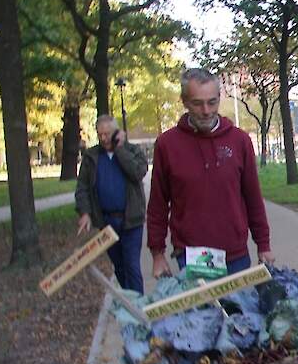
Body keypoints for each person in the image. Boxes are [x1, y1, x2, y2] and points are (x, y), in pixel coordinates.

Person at [147, 68, 274, 278]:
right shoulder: (167, 145)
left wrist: (263, 244)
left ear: (219, 99)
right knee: (204, 312)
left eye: (212, 102)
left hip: (235, 255)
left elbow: (253, 197)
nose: (206, 110)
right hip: (194, 257)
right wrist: (157, 254)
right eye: (197, 103)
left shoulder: (239, 141)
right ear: (184, 101)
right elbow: (157, 206)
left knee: (237, 310)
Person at [75, 115, 148, 294]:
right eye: (100, 135)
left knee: (132, 266)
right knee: (119, 267)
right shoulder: (92, 156)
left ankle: (140, 306)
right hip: (107, 221)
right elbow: (82, 187)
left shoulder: (133, 150)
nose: (104, 139)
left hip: (131, 220)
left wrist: (120, 149)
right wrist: (85, 213)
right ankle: (128, 305)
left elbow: (137, 173)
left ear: (117, 132)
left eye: (108, 134)